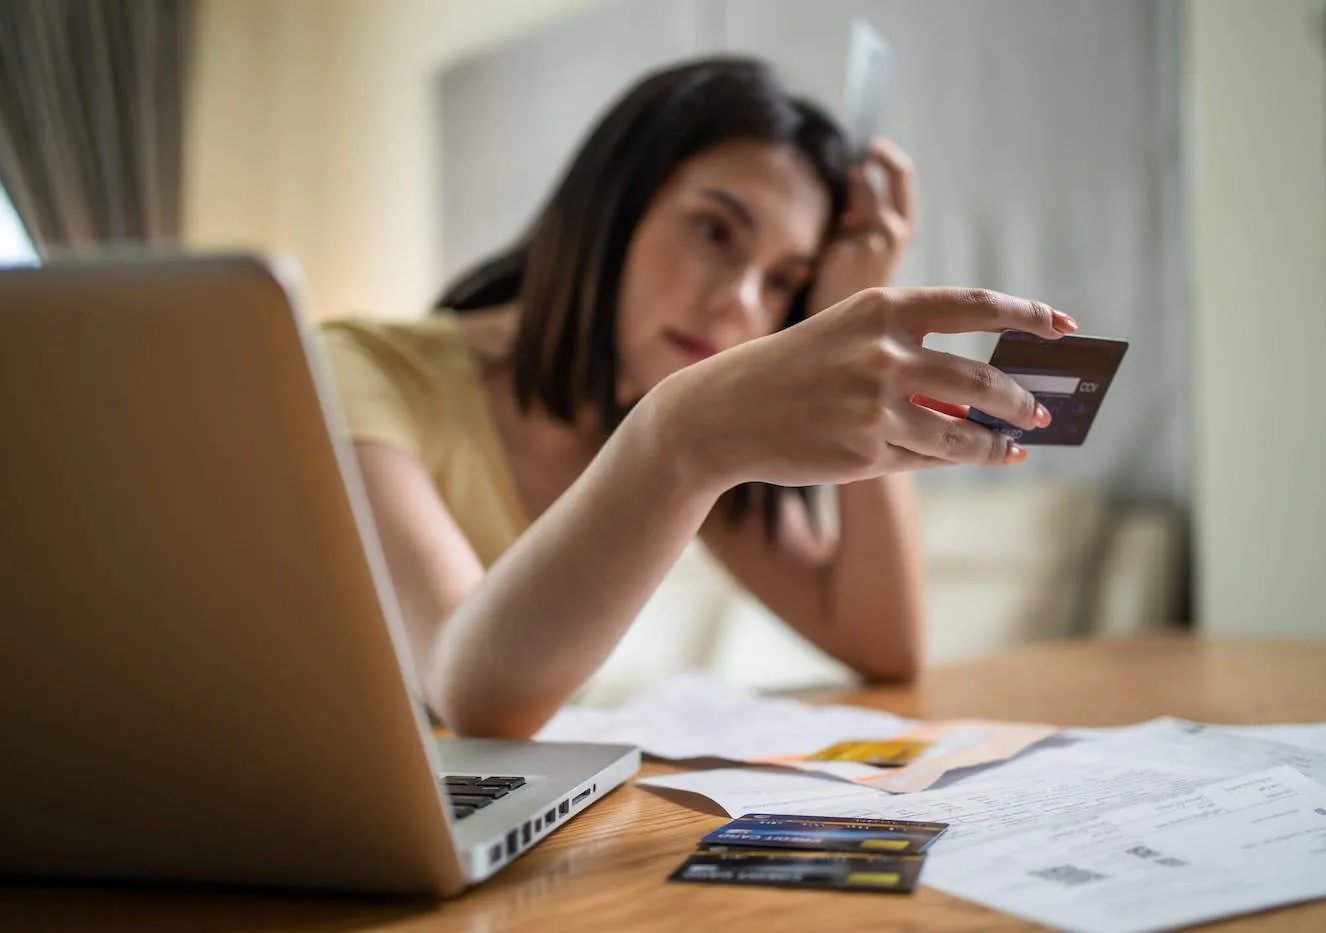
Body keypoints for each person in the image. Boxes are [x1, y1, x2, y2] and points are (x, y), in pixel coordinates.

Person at [322, 57, 1073, 739]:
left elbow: (882, 644)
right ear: (610, 212)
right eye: (715, 231)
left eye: (783, 279)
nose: (739, 305)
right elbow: (475, 697)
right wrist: (676, 435)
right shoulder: (358, 371)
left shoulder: (679, 420)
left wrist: (858, 307)